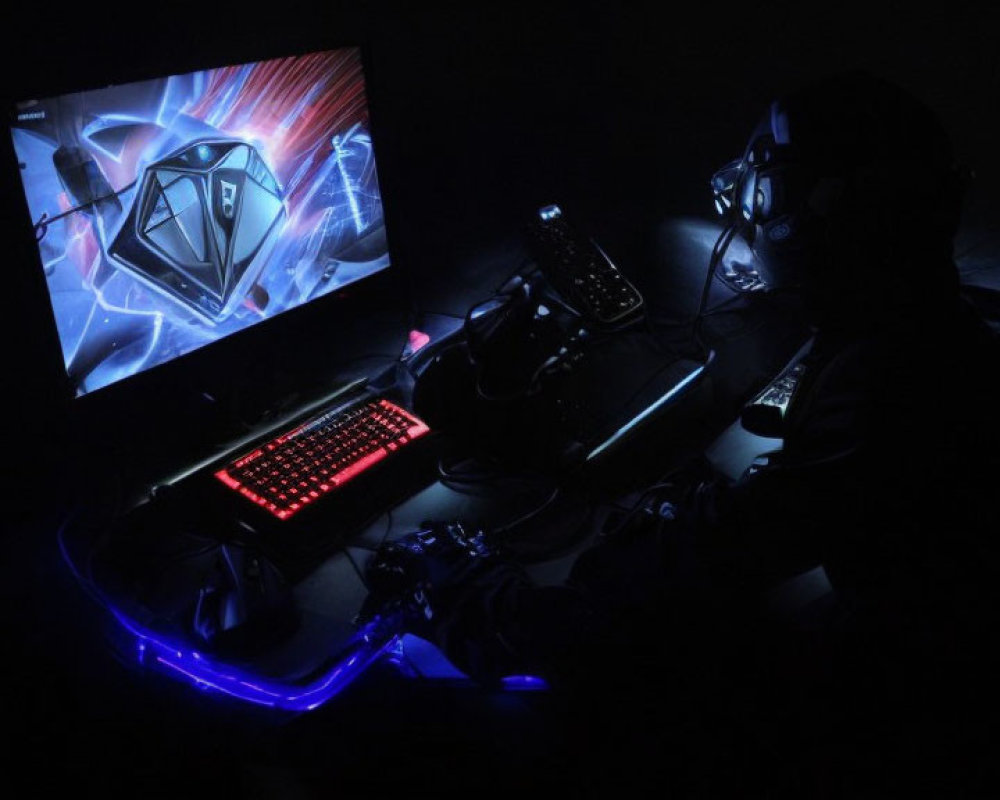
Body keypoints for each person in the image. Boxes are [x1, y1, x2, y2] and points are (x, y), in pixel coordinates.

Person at [367, 71, 1000, 788]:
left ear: (819, 213)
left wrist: (470, 593)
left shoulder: (888, 389)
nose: (754, 211)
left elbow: (609, 623)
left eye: (770, 191)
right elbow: (778, 519)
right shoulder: (932, 333)